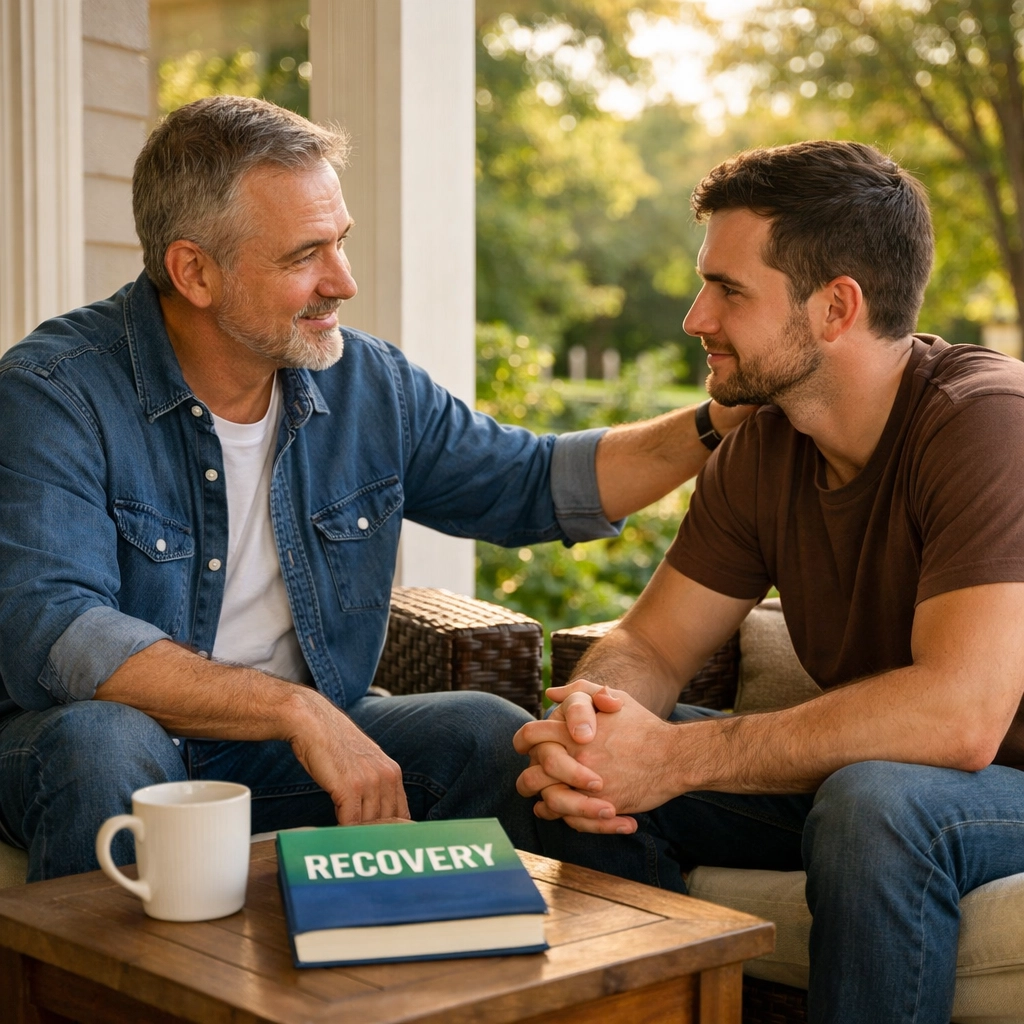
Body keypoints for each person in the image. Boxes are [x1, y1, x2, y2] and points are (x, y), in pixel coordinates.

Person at [0, 95, 748, 882]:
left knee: (487, 733)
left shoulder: (367, 384)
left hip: (288, 753)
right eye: (304, 257)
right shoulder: (56, 392)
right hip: (81, 747)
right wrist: (293, 710)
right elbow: (55, 630)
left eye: (341, 244)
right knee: (104, 741)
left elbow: (533, 483)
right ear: (194, 271)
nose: (344, 282)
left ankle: (609, 978)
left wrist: (714, 424)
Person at [513, 140, 1024, 1024]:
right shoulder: (764, 443)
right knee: (555, 776)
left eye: (729, 289)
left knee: (878, 804)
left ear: (836, 307)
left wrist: (672, 758)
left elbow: (960, 714)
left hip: (990, 781)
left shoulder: (985, 424)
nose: (694, 316)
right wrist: (595, 725)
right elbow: (652, 642)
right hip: (876, 775)